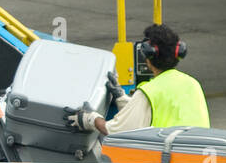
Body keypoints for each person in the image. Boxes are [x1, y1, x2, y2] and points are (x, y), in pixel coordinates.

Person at [67, 23, 210, 135]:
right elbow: (155, 116)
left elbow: (117, 131)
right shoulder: (193, 84)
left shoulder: (150, 91)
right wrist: (122, 98)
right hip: (194, 162)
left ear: (148, 55)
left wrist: (89, 119)